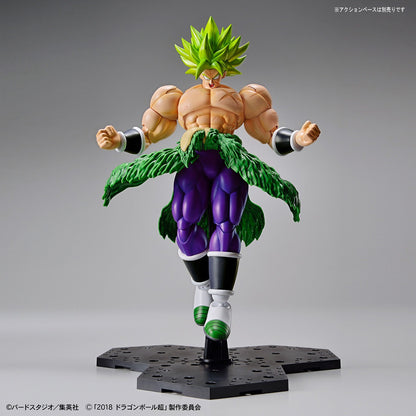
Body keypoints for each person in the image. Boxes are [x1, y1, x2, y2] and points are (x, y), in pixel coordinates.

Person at [96, 17, 320, 342]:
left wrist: (299, 138)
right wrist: (117, 140)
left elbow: (269, 134)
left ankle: (221, 305)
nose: (211, 77)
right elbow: (149, 133)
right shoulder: (176, 98)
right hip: (193, 162)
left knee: (226, 223)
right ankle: (202, 286)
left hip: (229, 162)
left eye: (217, 69)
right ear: (195, 65)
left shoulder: (246, 97)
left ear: (227, 65)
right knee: (184, 223)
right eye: (206, 69)